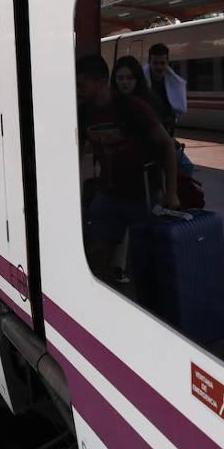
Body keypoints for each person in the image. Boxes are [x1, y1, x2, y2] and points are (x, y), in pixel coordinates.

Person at [76, 54, 178, 283]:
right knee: (97, 250)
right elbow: (77, 152)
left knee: (147, 258)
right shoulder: (83, 113)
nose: (78, 90)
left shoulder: (132, 107)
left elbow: (166, 146)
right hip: (108, 194)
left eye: (82, 84)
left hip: (143, 196)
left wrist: (171, 192)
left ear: (102, 82)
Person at [142, 43, 188, 136]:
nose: (159, 67)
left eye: (162, 63)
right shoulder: (140, 80)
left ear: (167, 62)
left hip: (166, 130)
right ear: (149, 63)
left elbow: (178, 111)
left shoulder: (176, 83)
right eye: (155, 63)